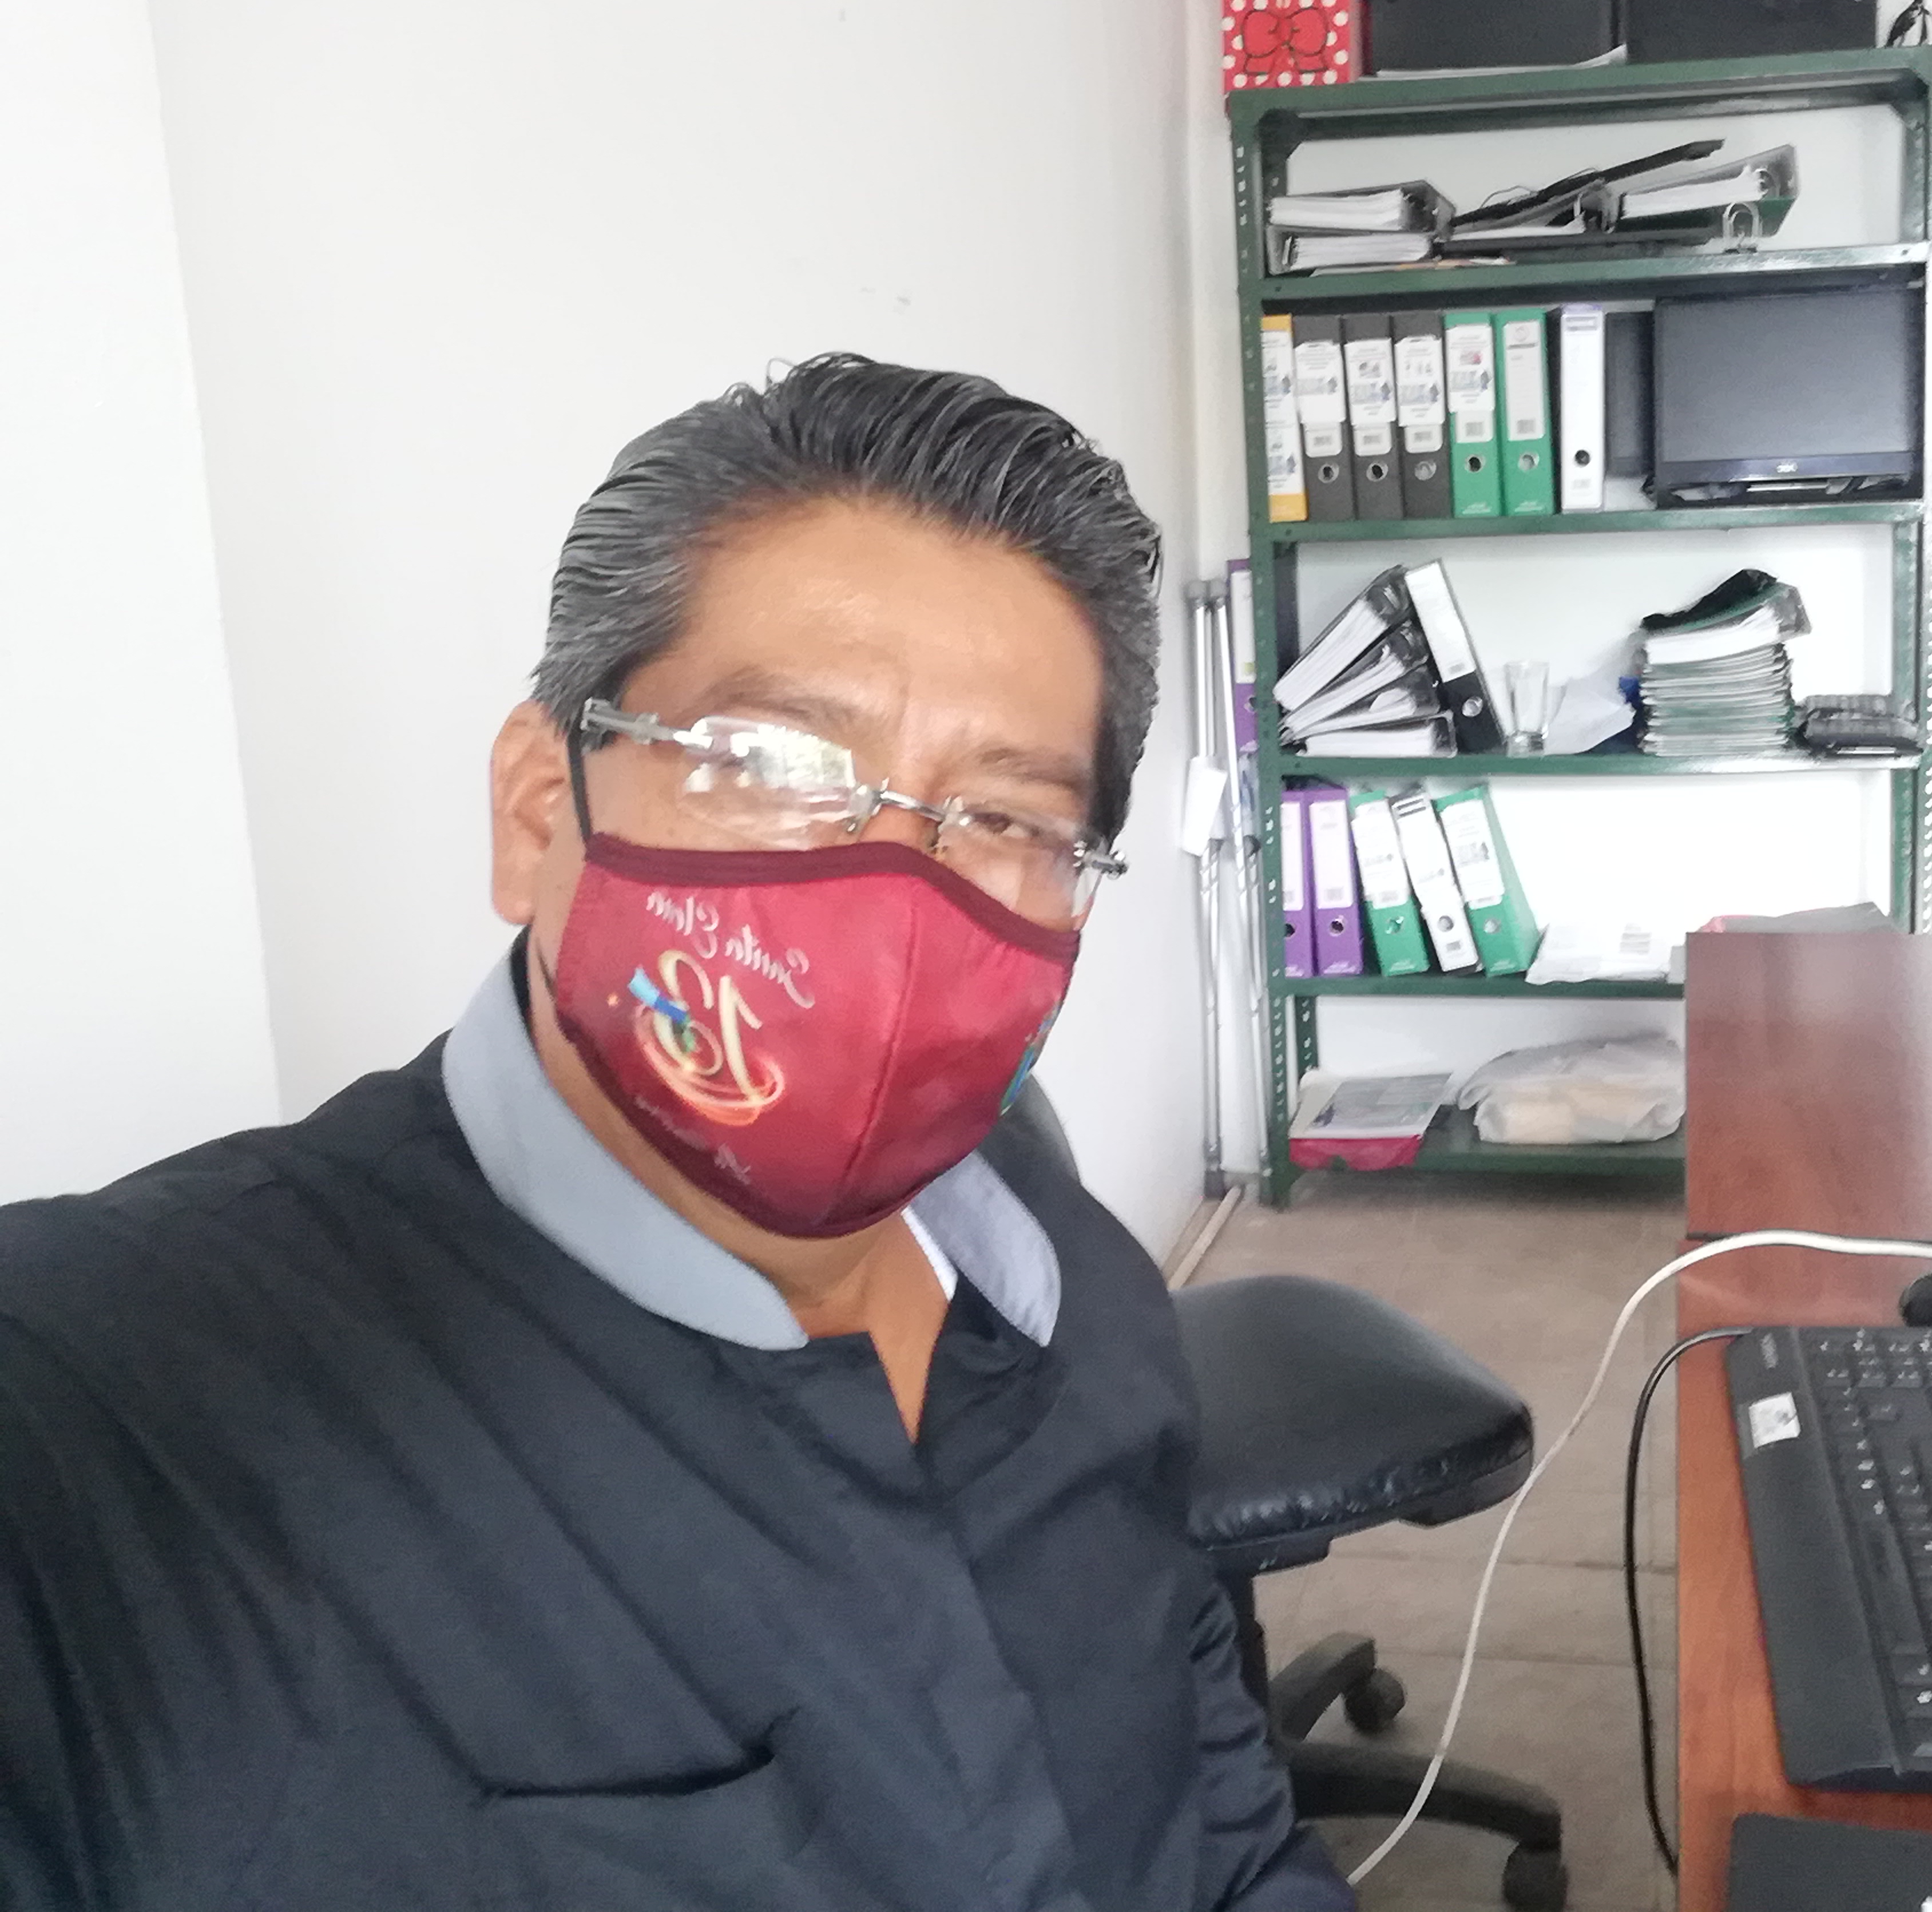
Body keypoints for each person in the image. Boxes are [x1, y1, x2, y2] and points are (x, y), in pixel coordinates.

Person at [0, 355, 1354, 1911]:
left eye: (1005, 821)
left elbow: (1217, 1806)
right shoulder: (111, 1421)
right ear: (539, 812)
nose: (898, 897)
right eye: (773, 766)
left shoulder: (1073, 1278)